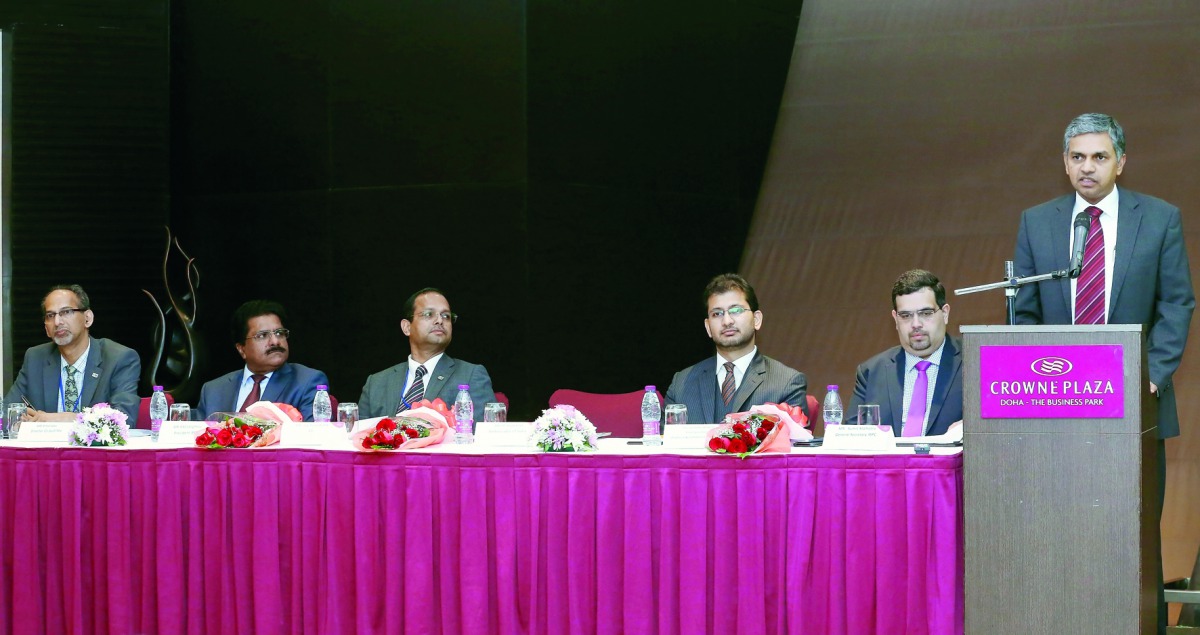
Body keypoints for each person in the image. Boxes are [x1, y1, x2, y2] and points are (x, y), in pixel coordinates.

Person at [1013, 113, 1193, 635]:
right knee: (1060, 531)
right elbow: (1024, 314)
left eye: (1098, 157)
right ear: (1064, 163)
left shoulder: (1159, 219)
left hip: (1138, 408)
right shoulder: (1037, 221)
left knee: (1133, 536)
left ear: (1120, 162)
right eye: (1076, 157)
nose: (1086, 167)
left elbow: (1177, 305)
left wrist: (1150, 376)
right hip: (1055, 412)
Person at [665, 273, 806, 424]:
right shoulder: (682, 383)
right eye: (717, 313)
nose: (727, 321)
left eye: (736, 311)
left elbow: (792, 444)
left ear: (756, 320)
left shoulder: (786, 383)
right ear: (708, 327)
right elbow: (663, 443)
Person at [845, 269, 962, 435]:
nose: (916, 324)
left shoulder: (975, 362)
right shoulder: (871, 372)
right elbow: (852, 438)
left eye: (925, 313)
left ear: (945, 313)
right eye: (906, 316)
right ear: (895, 319)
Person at [3, 284, 140, 424]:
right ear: (46, 328)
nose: (57, 322)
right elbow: (6, 414)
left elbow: (125, 418)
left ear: (88, 318)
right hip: (45, 445)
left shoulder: (119, 358)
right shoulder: (35, 358)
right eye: (50, 315)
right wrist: (18, 420)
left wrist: (67, 418)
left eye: (66, 312)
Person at [358, 287, 495, 418]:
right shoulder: (376, 383)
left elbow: (483, 435)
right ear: (407, 327)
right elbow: (359, 437)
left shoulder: (471, 375)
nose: (440, 320)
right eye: (429, 314)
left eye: (446, 316)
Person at [195, 300, 329, 421]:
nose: (275, 341)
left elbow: (313, 438)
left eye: (279, 333)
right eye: (263, 335)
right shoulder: (213, 390)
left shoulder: (308, 381)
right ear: (241, 349)